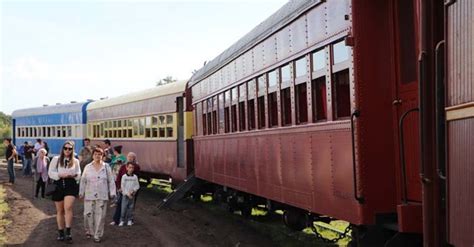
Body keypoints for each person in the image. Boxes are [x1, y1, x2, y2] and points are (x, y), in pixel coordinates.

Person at [79, 148, 116, 243]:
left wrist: (112, 192)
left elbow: (111, 180)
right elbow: (83, 180)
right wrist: (81, 192)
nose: (97, 156)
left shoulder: (106, 167)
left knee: (100, 216)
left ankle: (97, 235)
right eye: (95, 154)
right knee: (87, 215)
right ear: (92, 155)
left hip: (102, 195)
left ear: (102, 156)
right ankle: (90, 231)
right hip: (89, 194)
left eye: (100, 154)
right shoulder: (88, 167)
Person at [48, 141, 81, 243]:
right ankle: (61, 232)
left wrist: (74, 175)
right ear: (62, 149)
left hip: (70, 184)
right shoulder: (56, 159)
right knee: (60, 210)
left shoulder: (75, 161)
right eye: (66, 148)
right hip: (59, 184)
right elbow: (50, 172)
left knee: (68, 207)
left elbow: (79, 173)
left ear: (72, 150)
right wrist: (59, 175)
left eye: (70, 149)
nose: (67, 150)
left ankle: (68, 232)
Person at [111, 152, 140, 225]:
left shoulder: (136, 167)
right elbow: (119, 177)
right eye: (128, 156)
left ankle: (130, 220)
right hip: (123, 189)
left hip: (132, 190)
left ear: (134, 158)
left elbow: (137, 179)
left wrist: (133, 191)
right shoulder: (123, 166)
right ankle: (116, 220)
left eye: (131, 157)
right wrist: (118, 187)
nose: (130, 158)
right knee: (120, 204)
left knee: (131, 206)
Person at [119, 162, 140, 226]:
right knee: (123, 208)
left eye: (132, 168)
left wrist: (133, 191)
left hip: (132, 195)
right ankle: (122, 220)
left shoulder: (135, 177)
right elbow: (122, 186)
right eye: (130, 167)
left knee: (130, 208)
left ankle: (129, 220)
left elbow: (137, 186)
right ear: (127, 168)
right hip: (125, 195)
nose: (131, 169)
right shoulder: (124, 177)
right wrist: (127, 193)